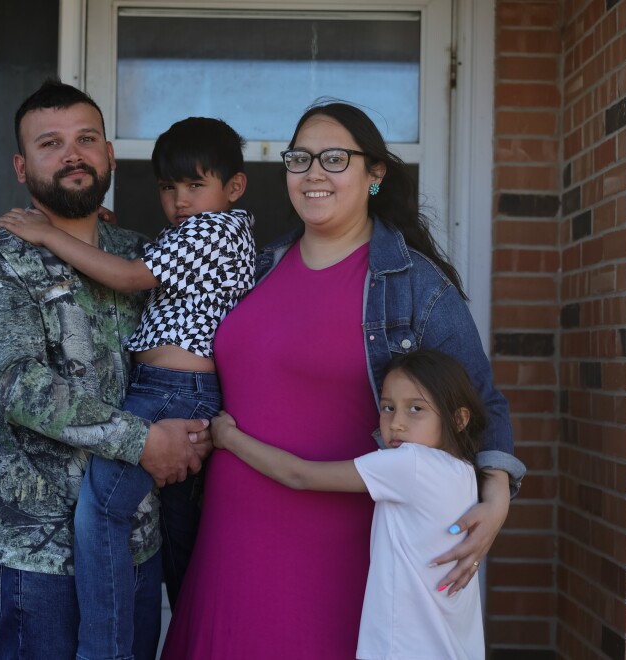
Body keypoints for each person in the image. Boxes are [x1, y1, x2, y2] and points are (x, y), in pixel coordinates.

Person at [161, 101, 526, 659]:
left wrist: (495, 496)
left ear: (373, 175)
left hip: (341, 551)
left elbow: (481, 401)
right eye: (300, 158)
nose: (313, 173)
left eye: (334, 158)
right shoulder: (255, 267)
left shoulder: (411, 284)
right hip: (229, 538)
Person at [0, 80, 211, 660]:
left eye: (86, 139)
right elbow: (20, 386)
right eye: (51, 143)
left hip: (138, 541)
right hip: (42, 554)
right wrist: (144, 441)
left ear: (109, 155)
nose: (73, 154)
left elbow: (204, 337)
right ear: (22, 166)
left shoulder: (137, 252)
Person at [0, 116, 255, 660]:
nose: (180, 199)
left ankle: (104, 651)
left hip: (172, 392)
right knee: (185, 535)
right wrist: (100, 232)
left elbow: (130, 277)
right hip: (175, 390)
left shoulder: (215, 230)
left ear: (233, 188)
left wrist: (49, 233)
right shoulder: (194, 234)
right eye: (168, 187)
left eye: (195, 185)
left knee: (102, 510)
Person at [211, 350, 487, 659]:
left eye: (415, 409)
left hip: (403, 648)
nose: (396, 423)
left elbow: (299, 474)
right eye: (388, 407)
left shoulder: (410, 462)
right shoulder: (465, 471)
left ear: (458, 419)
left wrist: (228, 437)